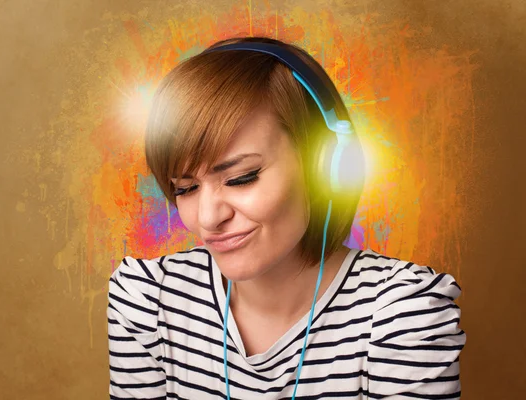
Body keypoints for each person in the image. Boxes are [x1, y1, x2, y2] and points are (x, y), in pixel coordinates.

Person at [107, 36, 466, 399]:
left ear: (325, 167)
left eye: (240, 178)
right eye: (186, 188)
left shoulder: (404, 315)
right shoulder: (146, 301)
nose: (208, 217)